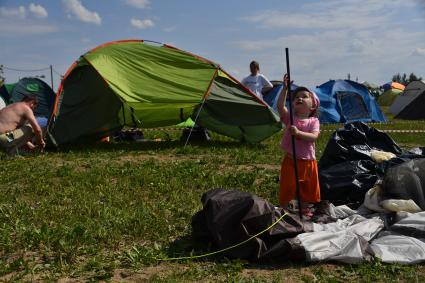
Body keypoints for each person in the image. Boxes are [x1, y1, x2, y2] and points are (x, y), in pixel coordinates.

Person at [277, 74, 320, 218]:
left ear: (313, 105)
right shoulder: (290, 118)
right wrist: (285, 89)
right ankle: (283, 208)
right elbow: (280, 106)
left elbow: (314, 137)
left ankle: (305, 208)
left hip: (308, 162)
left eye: (304, 96)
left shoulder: (313, 121)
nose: (299, 98)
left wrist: (299, 133)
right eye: (296, 97)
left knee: (306, 187)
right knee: (287, 185)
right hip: (291, 160)